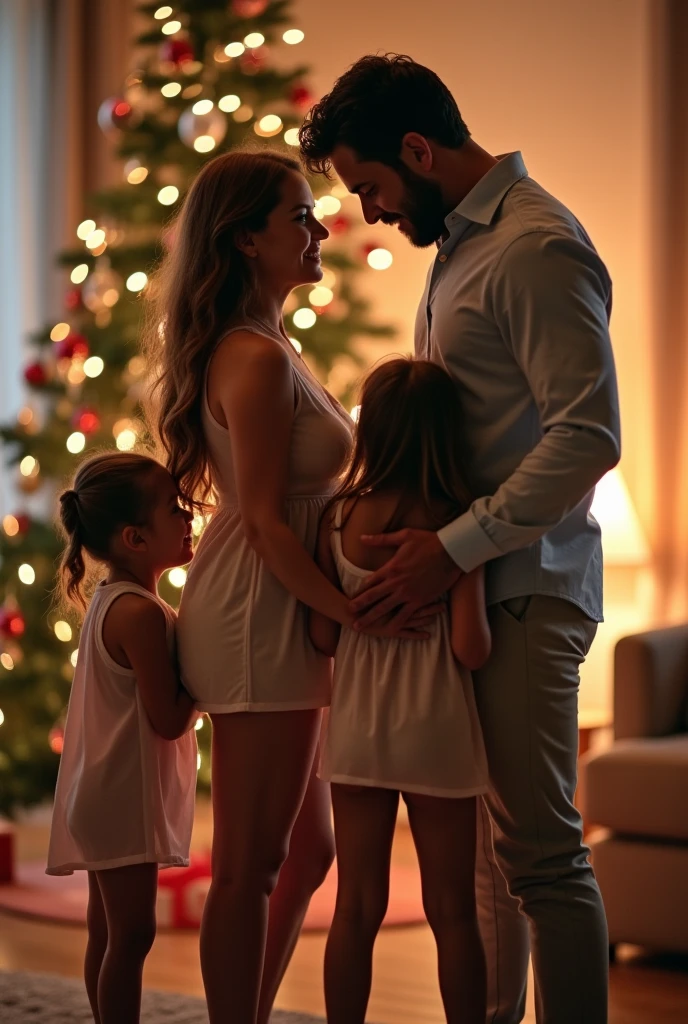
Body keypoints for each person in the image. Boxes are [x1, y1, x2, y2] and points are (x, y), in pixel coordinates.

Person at [300, 54, 621, 1024]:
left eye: (371, 187)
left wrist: (455, 546)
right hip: (481, 581)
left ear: (417, 149)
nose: (370, 211)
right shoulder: (461, 251)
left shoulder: (533, 248)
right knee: (494, 856)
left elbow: (587, 434)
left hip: (523, 584)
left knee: (541, 856)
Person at [145, 150, 429, 1024]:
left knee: (308, 852)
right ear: (243, 240)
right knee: (251, 863)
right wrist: (347, 611)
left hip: (284, 597)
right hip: (259, 607)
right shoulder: (253, 358)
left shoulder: (275, 345)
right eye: (298, 217)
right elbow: (267, 520)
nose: (319, 230)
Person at [309, 356, 490, 1024]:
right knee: (452, 910)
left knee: (356, 906)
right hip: (436, 731)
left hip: (359, 731)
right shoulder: (458, 526)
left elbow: (324, 641)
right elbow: (472, 649)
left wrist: (361, 615)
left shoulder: (336, 517)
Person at [46, 451, 198, 1024]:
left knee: (106, 932)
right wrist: (205, 682)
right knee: (131, 937)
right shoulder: (141, 615)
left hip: (100, 793)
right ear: (135, 537)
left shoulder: (112, 600)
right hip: (121, 800)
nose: (187, 517)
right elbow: (168, 717)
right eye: (173, 509)